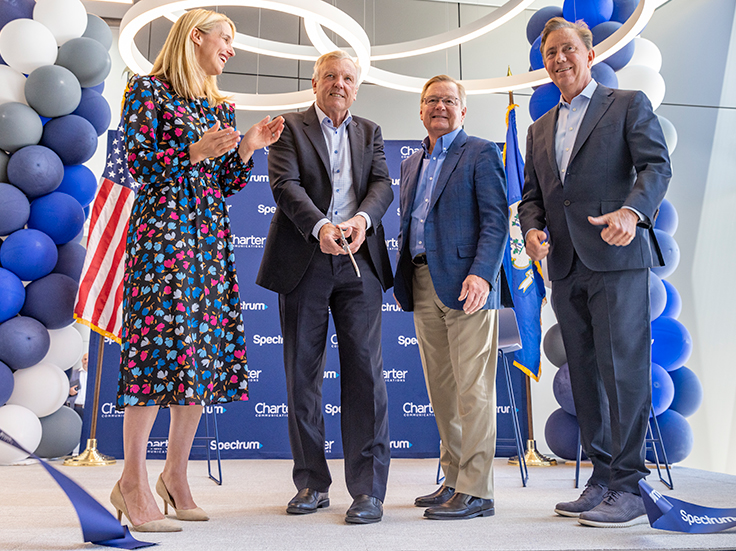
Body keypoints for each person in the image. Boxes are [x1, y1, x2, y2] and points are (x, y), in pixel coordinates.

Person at [115, 9, 284, 532]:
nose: (232, 48)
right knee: (155, 355)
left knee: (199, 357)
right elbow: (136, 166)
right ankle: (132, 483)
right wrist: (192, 151)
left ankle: (176, 477)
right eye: (227, 38)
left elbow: (226, 180)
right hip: (164, 239)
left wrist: (249, 144)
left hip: (207, 241)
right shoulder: (147, 91)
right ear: (196, 36)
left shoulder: (219, 105)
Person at [519, 17, 671, 527]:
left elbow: (656, 167)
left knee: (622, 372)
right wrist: (533, 230)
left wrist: (632, 213)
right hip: (564, 265)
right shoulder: (538, 129)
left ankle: (630, 486)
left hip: (616, 257)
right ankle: (604, 477)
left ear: (588, 54)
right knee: (584, 375)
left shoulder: (627, 104)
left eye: (567, 49)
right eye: (549, 54)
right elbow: (532, 199)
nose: (558, 59)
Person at [256, 50, 393, 525]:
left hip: (360, 264)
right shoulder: (289, 127)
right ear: (314, 83)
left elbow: (382, 186)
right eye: (330, 76)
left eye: (348, 78)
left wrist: (359, 220)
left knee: (366, 375)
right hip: (304, 260)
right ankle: (312, 482)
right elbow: (284, 184)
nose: (339, 83)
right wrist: (320, 227)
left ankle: (369, 492)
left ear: (357, 87)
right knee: (301, 374)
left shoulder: (370, 131)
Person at [393, 75, 511, 520]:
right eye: (431, 101)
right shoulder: (411, 163)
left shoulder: (480, 152)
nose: (439, 107)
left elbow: (496, 221)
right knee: (442, 390)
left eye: (448, 100)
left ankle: (478, 490)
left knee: (474, 389)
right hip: (424, 282)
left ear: (463, 111)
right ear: (420, 111)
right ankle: (455, 480)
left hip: (469, 286)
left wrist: (482, 274)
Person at [67, 353, 88, 419]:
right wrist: (69, 392)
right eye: (85, 359)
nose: (87, 361)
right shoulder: (73, 373)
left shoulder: (98, 376)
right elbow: (63, 389)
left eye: (89, 359)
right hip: (76, 408)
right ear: (82, 360)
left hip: (91, 409)